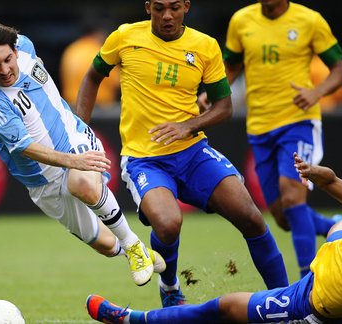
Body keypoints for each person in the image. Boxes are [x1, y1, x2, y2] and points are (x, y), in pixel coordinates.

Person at [76, 0, 288, 307]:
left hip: (193, 153)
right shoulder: (124, 37)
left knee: (252, 218)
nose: (167, 16)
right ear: (148, 7)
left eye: (174, 7)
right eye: (159, 8)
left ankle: (286, 302)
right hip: (144, 159)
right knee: (169, 223)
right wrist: (80, 129)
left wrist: (189, 125)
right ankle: (170, 286)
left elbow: (223, 107)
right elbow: (93, 77)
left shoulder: (205, 46)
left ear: (186, 7)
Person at [85, 153, 342, 324]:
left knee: (222, 309)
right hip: (325, 270)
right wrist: (320, 175)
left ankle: (130, 319)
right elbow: (336, 186)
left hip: (307, 306)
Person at [0, 19, 166, 287]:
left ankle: (131, 245)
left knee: (81, 181)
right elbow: (24, 146)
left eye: (7, 59)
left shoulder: (25, 46)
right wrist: (73, 161)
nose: (4, 69)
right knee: (105, 244)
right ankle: (136, 249)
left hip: (72, 137)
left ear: (15, 49)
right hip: (40, 179)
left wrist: (75, 158)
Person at [199, 0, 342, 278]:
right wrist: (214, 92)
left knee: (293, 198)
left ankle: (310, 283)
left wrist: (316, 93)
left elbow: (340, 70)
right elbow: (231, 67)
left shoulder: (310, 20)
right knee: (282, 216)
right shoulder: (241, 20)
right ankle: (335, 226)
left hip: (298, 122)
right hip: (259, 127)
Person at [59, 21, 120, 108]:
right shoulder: (99, 51)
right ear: (99, 34)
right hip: (99, 109)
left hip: (71, 107)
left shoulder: (70, 50)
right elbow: (117, 82)